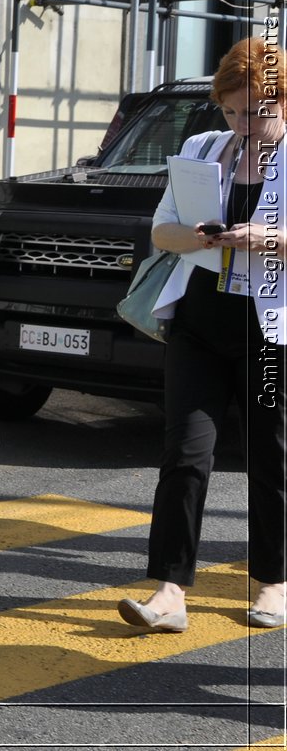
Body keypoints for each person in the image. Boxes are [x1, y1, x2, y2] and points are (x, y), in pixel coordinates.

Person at [118, 35, 286, 634]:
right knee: (184, 456)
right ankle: (168, 590)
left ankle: (274, 582)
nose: (246, 124)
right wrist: (203, 236)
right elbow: (162, 233)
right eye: (235, 111)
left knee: (272, 456)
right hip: (198, 320)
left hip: (270, 330)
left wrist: (263, 240)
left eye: (260, 112)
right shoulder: (201, 147)